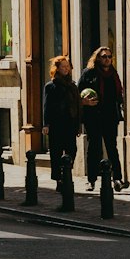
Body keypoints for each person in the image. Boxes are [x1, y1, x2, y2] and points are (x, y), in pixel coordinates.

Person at [78, 46, 126, 192]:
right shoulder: (89, 73)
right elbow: (78, 92)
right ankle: (91, 180)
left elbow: (118, 95)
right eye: (104, 56)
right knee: (94, 147)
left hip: (110, 116)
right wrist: (85, 102)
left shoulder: (113, 74)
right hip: (93, 116)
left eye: (109, 57)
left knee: (112, 147)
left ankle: (117, 178)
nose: (107, 59)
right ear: (98, 58)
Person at [42, 56, 80, 186]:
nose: (66, 69)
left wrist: (78, 123)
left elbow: (77, 105)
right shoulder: (51, 86)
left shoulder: (72, 86)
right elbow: (47, 106)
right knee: (56, 152)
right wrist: (46, 124)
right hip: (56, 124)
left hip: (70, 123)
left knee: (72, 149)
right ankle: (59, 179)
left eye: (67, 66)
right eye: (63, 66)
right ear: (57, 69)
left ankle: (66, 173)